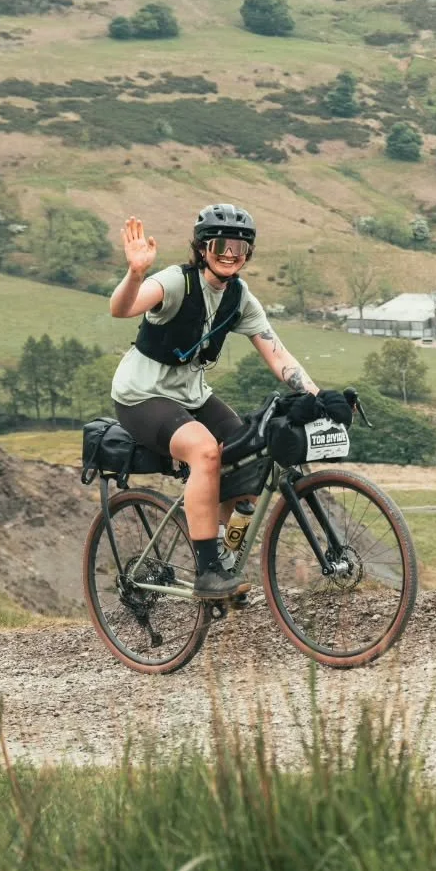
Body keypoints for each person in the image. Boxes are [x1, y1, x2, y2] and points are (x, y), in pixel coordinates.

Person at [109, 203, 320, 600]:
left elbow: (278, 355)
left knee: (251, 461)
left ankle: (221, 555)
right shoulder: (176, 282)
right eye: (221, 244)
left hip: (191, 395)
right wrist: (136, 274)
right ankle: (208, 572)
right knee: (205, 452)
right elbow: (122, 309)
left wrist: (319, 398)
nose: (229, 254)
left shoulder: (238, 298)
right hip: (142, 394)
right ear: (203, 248)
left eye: (239, 249)